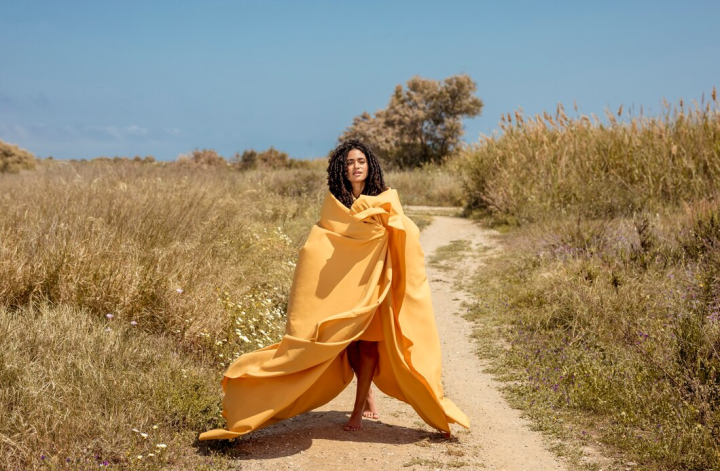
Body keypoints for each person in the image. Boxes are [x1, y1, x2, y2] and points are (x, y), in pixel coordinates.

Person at [198, 139, 468, 441]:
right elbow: (324, 238)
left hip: (375, 281)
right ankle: (364, 396)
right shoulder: (335, 202)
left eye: (361, 161)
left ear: (370, 166)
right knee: (345, 343)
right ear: (342, 168)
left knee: (367, 345)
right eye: (350, 162)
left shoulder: (383, 198)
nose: (356, 166)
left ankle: (358, 408)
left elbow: (403, 229)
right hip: (343, 283)